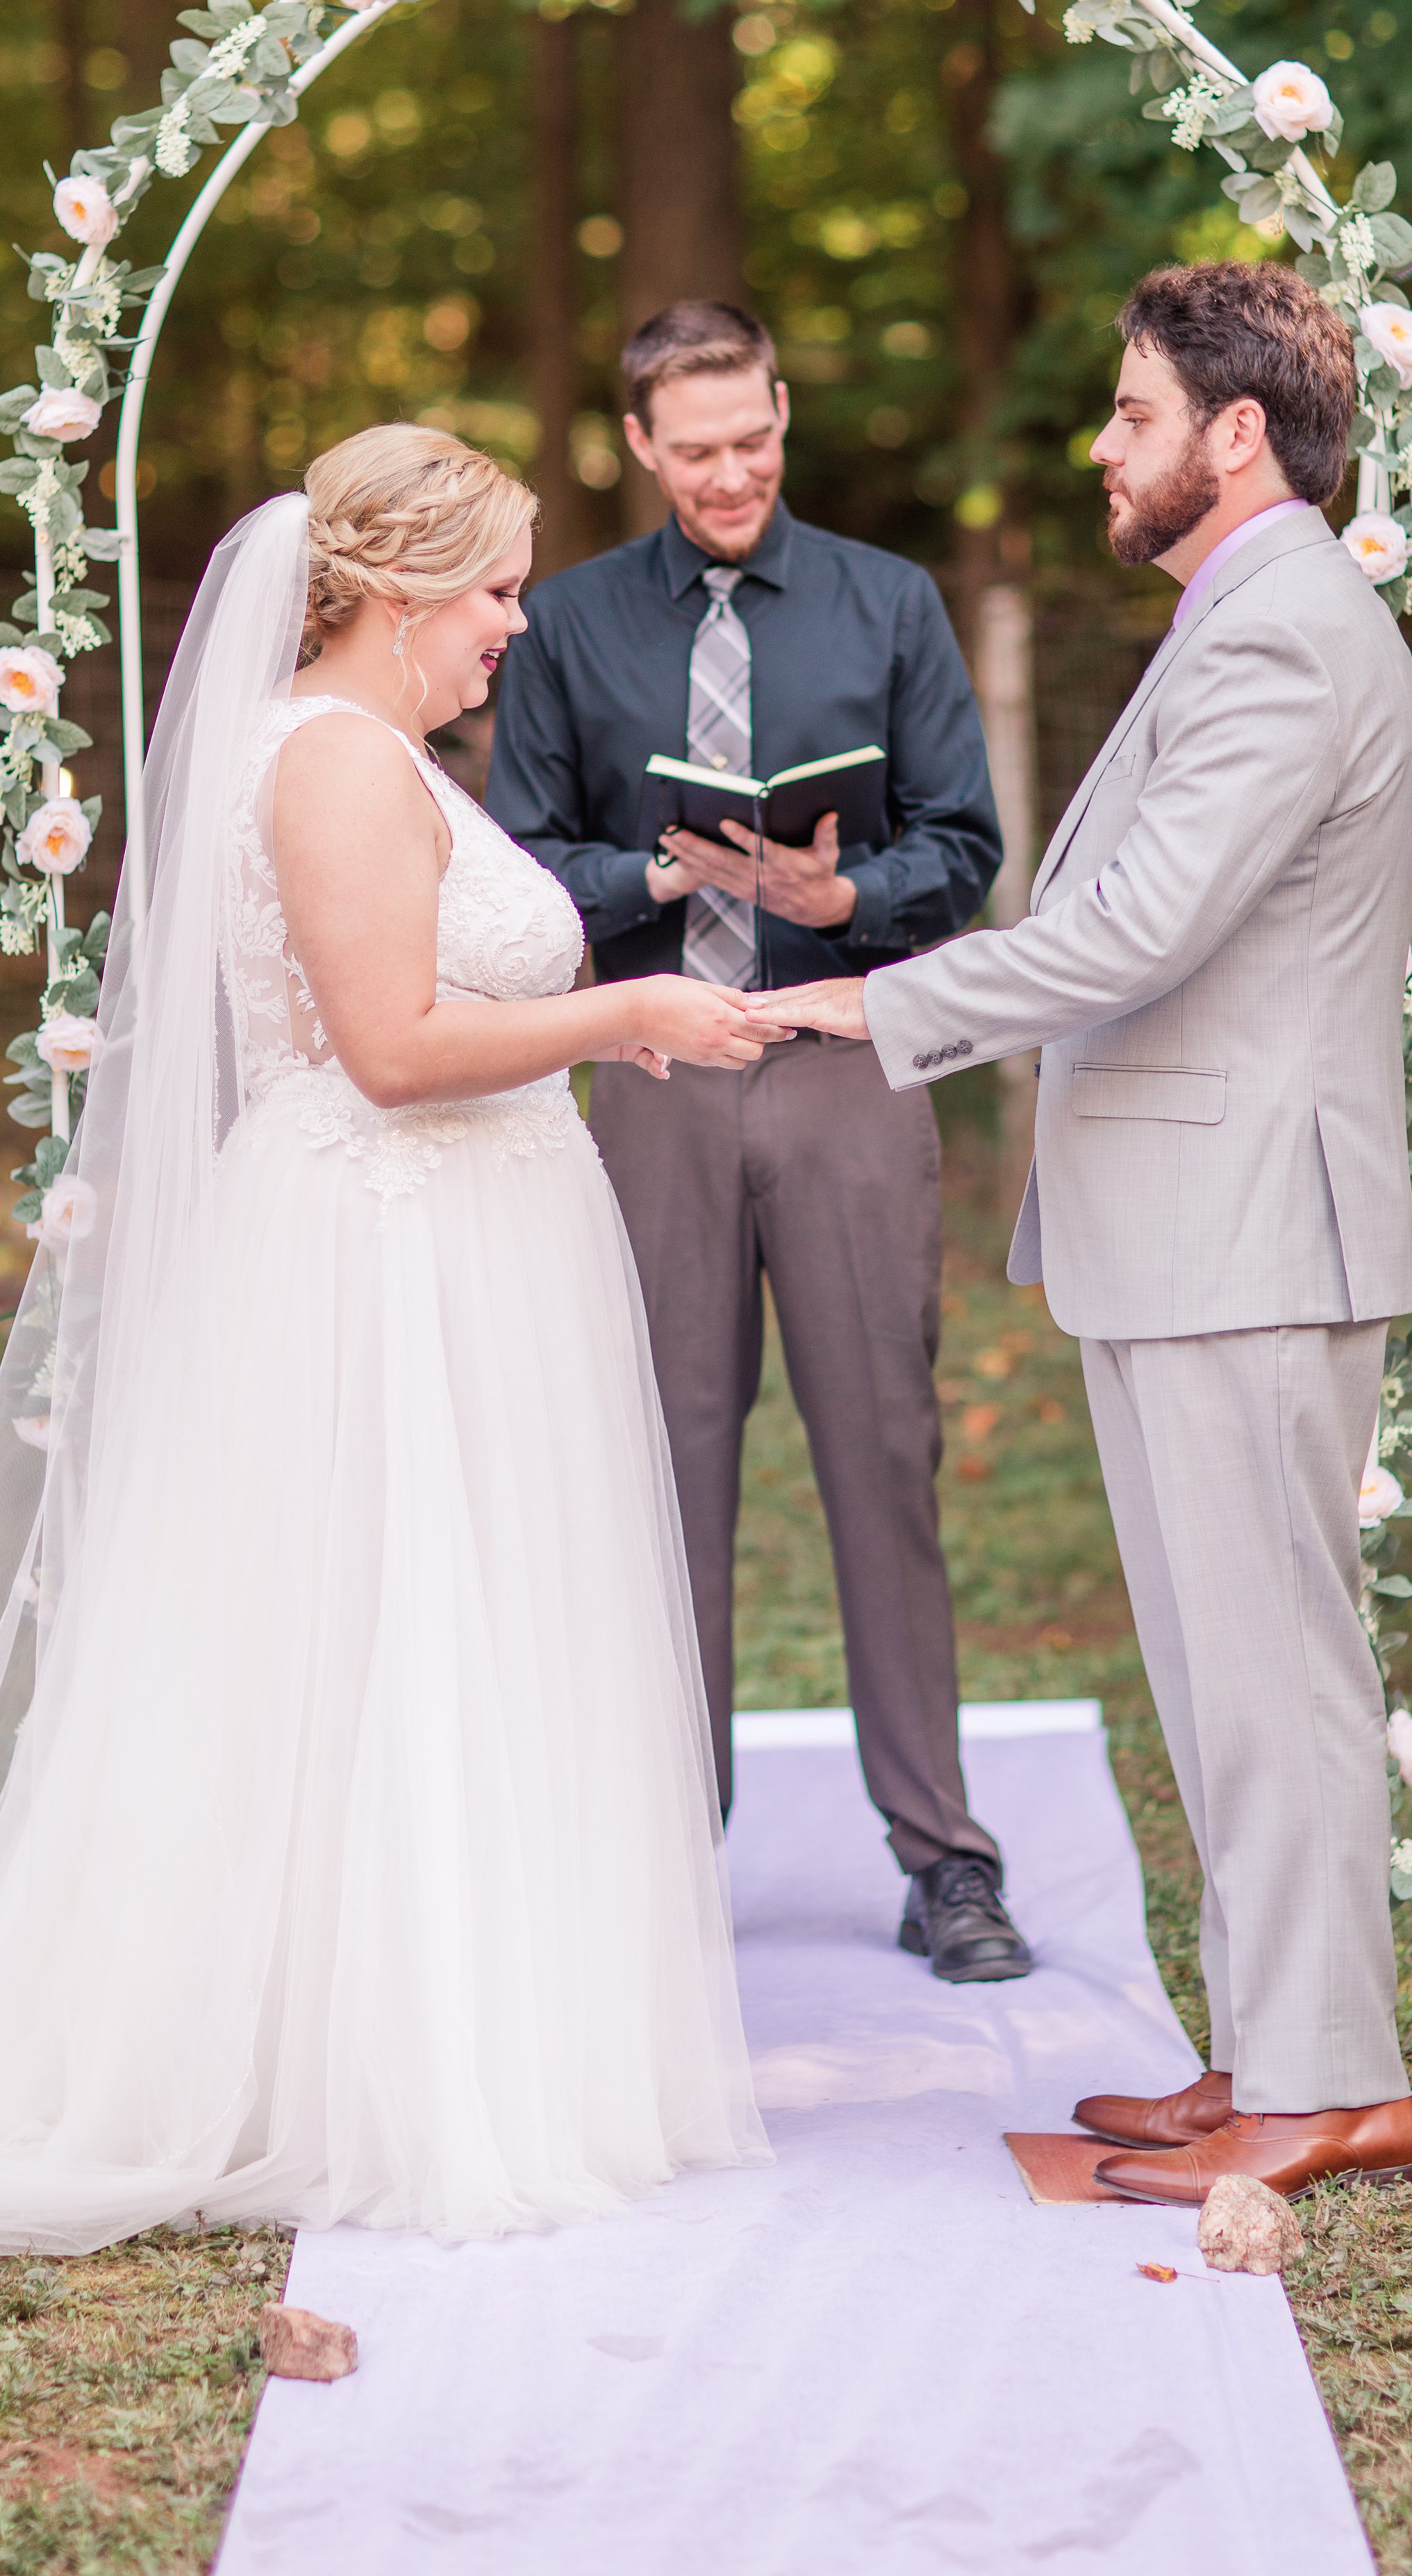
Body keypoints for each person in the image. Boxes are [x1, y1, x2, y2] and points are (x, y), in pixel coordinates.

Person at [0, 430, 776, 2260]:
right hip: (388, 1244)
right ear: (392, 588)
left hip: (464, 1234)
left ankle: (455, 2028)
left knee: (454, 1628)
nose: (515, 630)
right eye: (495, 589)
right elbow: (385, 1044)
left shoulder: (380, 758)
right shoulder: (328, 769)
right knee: (386, 1629)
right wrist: (632, 1015)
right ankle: (366, 2067)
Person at [756, 260, 1412, 2201]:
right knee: (1225, 1671)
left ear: (1236, 433)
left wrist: (868, 1001)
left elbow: (1144, 927)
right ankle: (1275, 2051)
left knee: (1274, 1665)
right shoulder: (1245, 617)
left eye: (1133, 413)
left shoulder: (1288, 632)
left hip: (1244, 1225)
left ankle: (1333, 2080)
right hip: (1195, 1222)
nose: (1101, 445)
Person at [487, 300, 1029, 1984]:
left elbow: (970, 842)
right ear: (640, 444)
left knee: (883, 1454)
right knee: (665, 1469)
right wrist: (645, 879)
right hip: (652, 1068)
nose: (733, 474)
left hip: (842, 1058)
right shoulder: (565, 626)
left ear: (785, 411)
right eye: (698, 449)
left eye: (756, 438)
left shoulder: (890, 599)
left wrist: (845, 893)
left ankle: (945, 1858)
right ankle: (662, 1854)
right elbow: (511, 866)